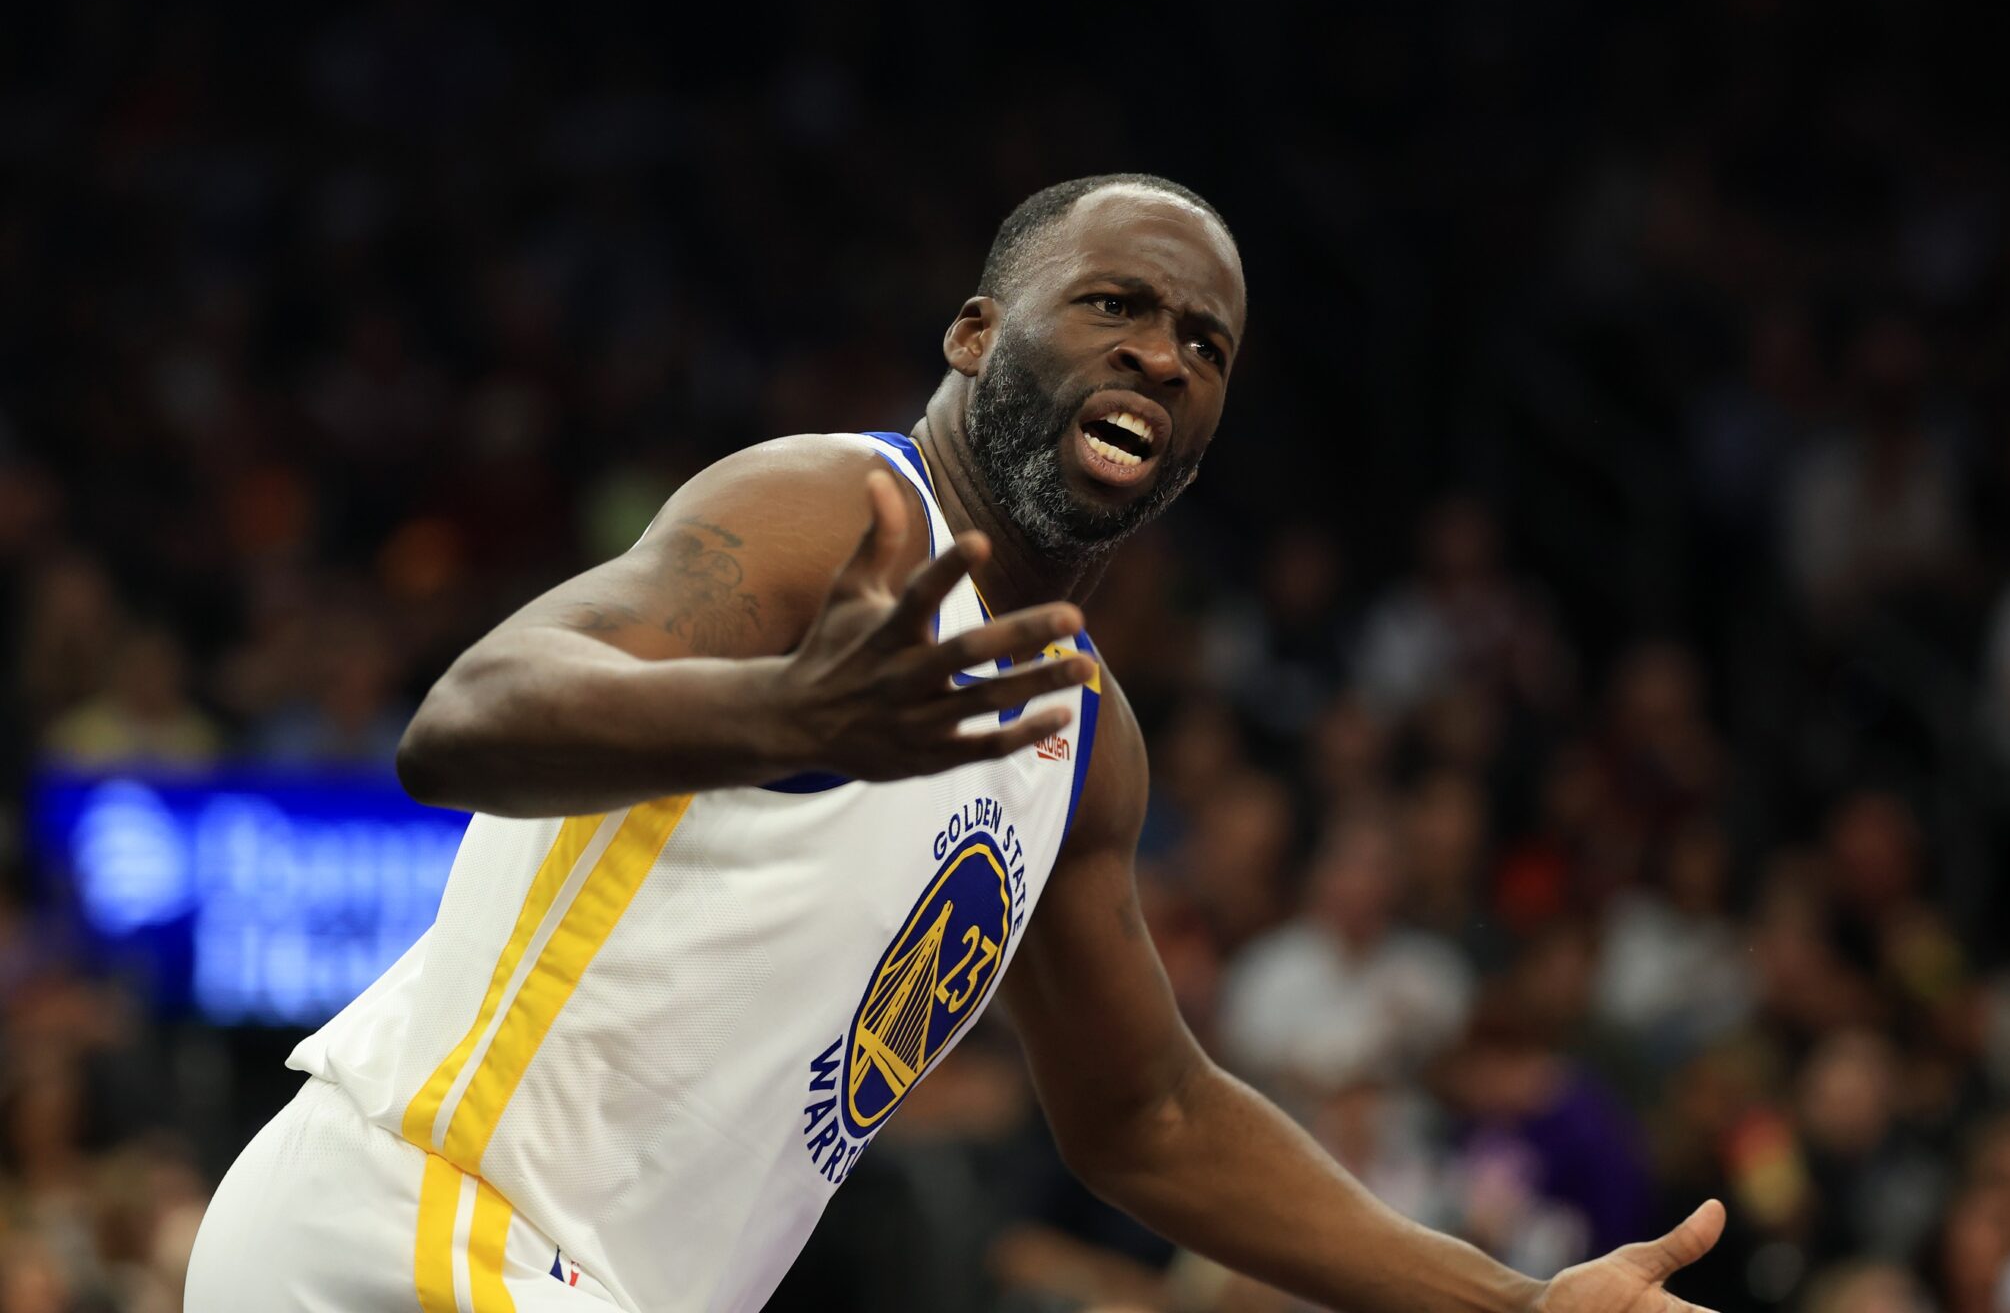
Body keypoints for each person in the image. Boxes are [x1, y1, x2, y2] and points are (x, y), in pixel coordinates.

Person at [184, 174, 1726, 1313]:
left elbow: (1154, 1119)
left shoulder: (1082, 747)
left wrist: (1511, 1305)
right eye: (1116, 303)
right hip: (421, 1226)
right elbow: (464, 721)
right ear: (978, 333)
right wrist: (779, 714)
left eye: (1205, 341)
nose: (1165, 354)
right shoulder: (823, 515)